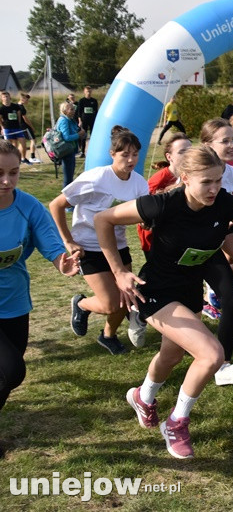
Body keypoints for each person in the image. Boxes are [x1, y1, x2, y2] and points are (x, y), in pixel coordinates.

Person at [94, 146, 233, 459]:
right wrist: (119, 271)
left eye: (218, 181)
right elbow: (103, 220)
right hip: (156, 291)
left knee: (172, 354)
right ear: (185, 177)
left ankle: (143, 396)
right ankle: (177, 422)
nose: (214, 189)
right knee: (211, 354)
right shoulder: (162, 204)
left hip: (189, 289)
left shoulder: (224, 202)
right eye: (206, 182)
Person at [0, 140, 79, 456]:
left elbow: (49, 242)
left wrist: (62, 260)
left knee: (9, 374)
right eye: (0, 173)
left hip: (15, 303)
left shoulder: (28, 206)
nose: (7, 181)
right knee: (12, 369)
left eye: (14, 173)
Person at [50, 126, 150, 353]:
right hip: (89, 247)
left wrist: (145, 221)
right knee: (109, 303)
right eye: (125, 154)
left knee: (126, 298)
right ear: (112, 154)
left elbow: (142, 215)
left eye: (135, 154)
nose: (131, 159)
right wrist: (68, 241)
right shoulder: (96, 178)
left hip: (118, 247)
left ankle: (108, 335)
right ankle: (82, 304)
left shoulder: (139, 183)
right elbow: (56, 204)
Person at [196, 119, 233, 385]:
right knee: (181, 315)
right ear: (207, 145)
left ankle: (223, 365)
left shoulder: (229, 174)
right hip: (180, 248)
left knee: (231, 296)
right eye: (225, 140)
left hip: (211, 242)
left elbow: (228, 210)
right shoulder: (190, 170)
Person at [138, 134, 191, 253]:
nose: (188, 155)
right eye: (182, 152)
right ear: (169, 157)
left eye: (190, 150)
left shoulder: (190, 175)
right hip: (156, 241)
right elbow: (143, 214)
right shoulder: (159, 180)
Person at [55, 101, 81, 187]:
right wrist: (78, 135)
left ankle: (68, 197)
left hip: (70, 150)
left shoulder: (69, 120)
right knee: (68, 179)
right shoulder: (64, 120)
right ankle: (65, 197)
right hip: (66, 151)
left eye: (74, 109)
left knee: (70, 177)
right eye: (71, 109)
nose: (74, 111)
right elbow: (66, 137)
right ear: (65, 110)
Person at [0, 91, 30, 166]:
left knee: (23, 143)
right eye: (4, 97)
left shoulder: (15, 106)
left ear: (10, 97)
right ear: (1, 99)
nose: (6, 98)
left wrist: (19, 123)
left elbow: (19, 115)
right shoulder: (1, 109)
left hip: (17, 127)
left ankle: (23, 158)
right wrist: (2, 127)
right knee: (10, 147)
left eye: (7, 96)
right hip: (7, 128)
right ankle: (9, 161)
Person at [77, 86, 99, 157]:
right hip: (84, 121)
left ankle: (93, 151)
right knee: (83, 136)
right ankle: (83, 152)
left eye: (90, 91)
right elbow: (79, 112)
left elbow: (96, 111)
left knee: (93, 135)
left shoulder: (94, 101)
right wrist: (80, 121)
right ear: (84, 92)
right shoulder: (81, 101)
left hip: (92, 120)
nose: (88, 93)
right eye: (87, 91)